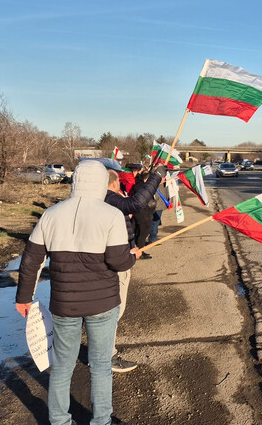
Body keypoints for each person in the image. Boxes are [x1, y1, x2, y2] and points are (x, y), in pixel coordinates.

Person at [14, 160, 141, 425]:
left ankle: (59, 420)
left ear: (75, 181)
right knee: (101, 365)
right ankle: (101, 421)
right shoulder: (111, 215)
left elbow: (31, 260)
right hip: (103, 304)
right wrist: (133, 256)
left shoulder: (50, 214)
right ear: (101, 183)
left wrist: (24, 297)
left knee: (62, 365)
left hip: (64, 304)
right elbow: (119, 262)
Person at [104, 163, 167, 373]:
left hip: (108, 258)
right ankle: (107, 356)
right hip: (116, 262)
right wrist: (157, 176)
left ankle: (101, 352)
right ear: (114, 184)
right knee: (113, 310)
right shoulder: (109, 198)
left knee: (104, 312)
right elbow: (136, 203)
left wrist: (132, 247)